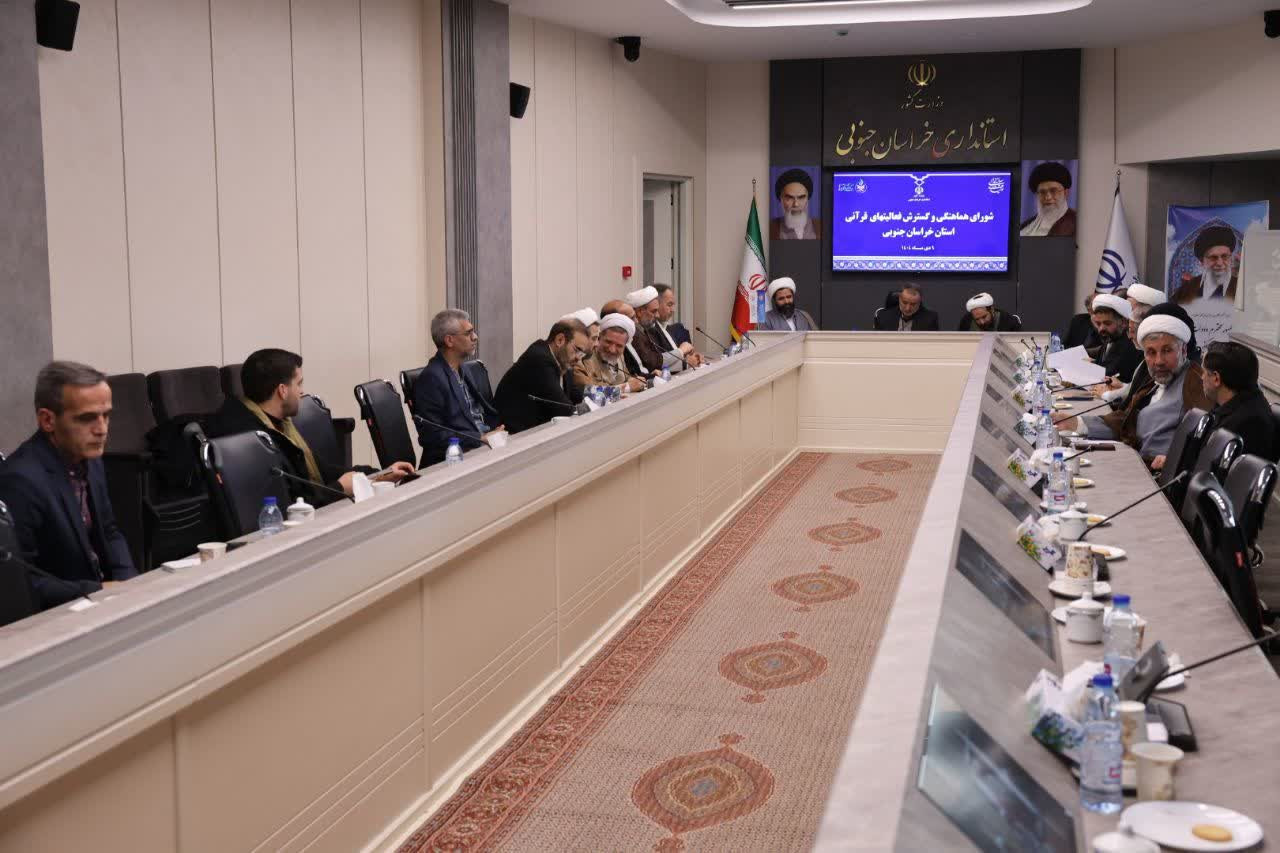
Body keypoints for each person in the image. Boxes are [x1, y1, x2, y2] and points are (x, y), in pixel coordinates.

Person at [0, 361, 137, 609]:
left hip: (103, 601)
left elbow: (109, 532)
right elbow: (20, 581)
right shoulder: (20, 480)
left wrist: (130, 583)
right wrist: (97, 591)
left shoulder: (89, 458)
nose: (102, 429)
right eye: (87, 418)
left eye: (106, 415)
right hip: (58, 614)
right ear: (47, 420)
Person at [206, 349, 414, 506]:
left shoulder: (282, 425)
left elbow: (323, 471)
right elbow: (289, 504)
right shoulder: (250, 440)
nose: (302, 392)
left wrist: (380, 475)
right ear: (282, 391)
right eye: (298, 384)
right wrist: (340, 488)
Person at [1061, 314, 1213, 465]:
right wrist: (1076, 423)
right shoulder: (1155, 379)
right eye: (1151, 352)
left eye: (1167, 351)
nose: (1159, 361)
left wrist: (1176, 462)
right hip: (1135, 460)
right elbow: (1129, 421)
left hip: (1158, 473)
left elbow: (1206, 442)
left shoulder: (1196, 383)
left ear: (1184, 350)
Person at [412, 309, 504, 467]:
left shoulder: (465, 369)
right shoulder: (431, 378)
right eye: (468, 333)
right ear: (449, 340)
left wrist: (496, 431)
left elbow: (481, 413)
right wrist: (480, 438)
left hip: (483, 447)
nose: (475, 337)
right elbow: (432, 435)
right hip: (455, 459)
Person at [494, 318, 591, 433]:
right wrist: (587, 407)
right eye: (577, 350)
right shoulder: (539, 359)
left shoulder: (564, 361)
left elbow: (577, 397)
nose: (578, 358)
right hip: (513, 435)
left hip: (536, 431)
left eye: (581, 353)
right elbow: (564, 408)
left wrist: (598, 398)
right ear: (560, 340)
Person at [1200, 341, 1277, 461]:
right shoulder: (1240, 402)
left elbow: (1208, 467)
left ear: (1216, 378)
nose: (1202, 377)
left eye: (1204, 372)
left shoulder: (1248, 424)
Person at [629, 286, 697, 371]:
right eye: (654, 311)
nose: (657, 315)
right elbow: (652, 363)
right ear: (639, 312)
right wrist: (681, 352)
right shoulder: (634, 334)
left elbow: (658, 360)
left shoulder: (646, 330)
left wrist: (687, 362)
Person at [574, 314, 646, 394]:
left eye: (619, 346)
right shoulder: (582, 357)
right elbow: (588, 391)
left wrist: (634, 381)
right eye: (608, 342)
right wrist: (626, 388)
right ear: (599, 337)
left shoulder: (620, 356)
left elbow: (625, 378)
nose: (612, 350)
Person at [1172, 226, 1238, 304]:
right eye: (1213, 257)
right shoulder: (1185, 292)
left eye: (1225, 256)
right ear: (1201, 262)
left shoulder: (1242, 288)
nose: (1220, 263)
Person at [1089, 293, 1142, 382]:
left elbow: (1111, 373)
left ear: (1123, 322)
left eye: (1107, 323)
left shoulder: (1130, 345)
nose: (1101, 328)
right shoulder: (1110, 338)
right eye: (1098, 324)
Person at [1019, 161, 1077, 237]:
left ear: (1066, 193)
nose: (1048, 197)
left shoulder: (1077, 222)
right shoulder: (1025, 226)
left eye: (1053, 191)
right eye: (1042, 192)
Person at [769, 168, 821, 241]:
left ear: (807, 199)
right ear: (781, 200)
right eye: (789, 198)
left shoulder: (820, 226)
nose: (796, 204)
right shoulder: (770, 228)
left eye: (801, 197)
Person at [873, 284, 939, 331]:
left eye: (913, 304)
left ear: (919, 303)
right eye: (904, 303)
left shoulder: (930, 319)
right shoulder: (883, 316)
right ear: (899, 299)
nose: (908, 308)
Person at [957, 292, 1022, 332]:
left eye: (984, 317)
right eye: (977, 319)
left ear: (992, 310)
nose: (982, 322)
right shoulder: (966, 321)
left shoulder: (1007, 320)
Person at [654, 284, 692, 348]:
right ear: (656, 304)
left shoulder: (668, 330)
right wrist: (681, 351)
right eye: (669, 305)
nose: (673, 310)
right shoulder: (650, 333)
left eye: (673, 305)